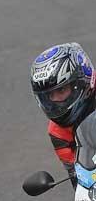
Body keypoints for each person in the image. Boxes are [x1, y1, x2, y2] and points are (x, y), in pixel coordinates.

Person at [30, 42, 96, 186]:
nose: (56, 101)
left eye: (61, 91)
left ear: (82, 79)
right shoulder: (57, 131)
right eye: (49, 96)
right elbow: (79, 178)